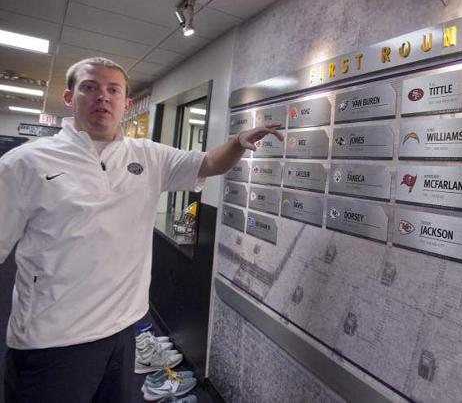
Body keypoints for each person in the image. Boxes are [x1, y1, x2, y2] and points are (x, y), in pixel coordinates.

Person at [0, 57, 282, 402]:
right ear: (70, 97)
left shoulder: (149, 156)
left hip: (123, 331)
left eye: (113, 90)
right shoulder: (24, 163)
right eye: (90, 87)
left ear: (126, 103)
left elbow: (209, 162)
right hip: (53, 339)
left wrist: (238, 140)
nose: (102, 96)